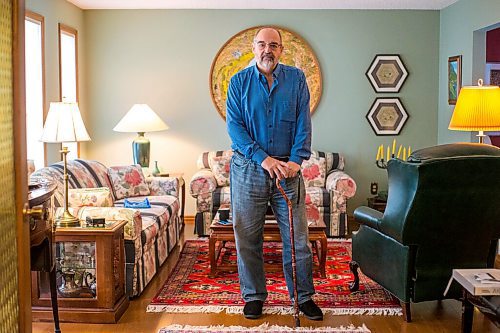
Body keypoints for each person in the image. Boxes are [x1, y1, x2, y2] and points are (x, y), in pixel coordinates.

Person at [226, 27, 322, 321]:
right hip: (248, 170)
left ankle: (303, 297)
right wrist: (263, 159)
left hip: (288, 173)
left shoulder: (296, 80)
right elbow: (235, 128)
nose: (268, 50)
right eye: (262, 45)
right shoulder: (238, 83)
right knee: (247, 238)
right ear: (253, 48)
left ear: (281, 50)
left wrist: (296, 160)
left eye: (274, 45)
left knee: (297, 239)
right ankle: (254, 296)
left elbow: (303, 123)